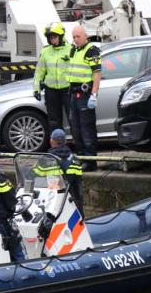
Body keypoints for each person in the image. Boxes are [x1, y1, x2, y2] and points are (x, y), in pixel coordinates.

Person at [67, 26, 101, 172]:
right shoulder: (74, 50)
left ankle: (90, 160)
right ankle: (81, 157)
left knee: (87, 129)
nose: (75, 39)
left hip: (85, 93)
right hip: (74, 94)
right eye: (73, 37)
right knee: (75, 129)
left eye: (78, 36)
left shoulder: (91, 50)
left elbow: (97, 74)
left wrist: (94, 95)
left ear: (85, 36)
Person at [33, 22, 71, 132]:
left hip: (67, 90)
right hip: (51, 91)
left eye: (54, 37)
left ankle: (78, 146)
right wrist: (36, 89)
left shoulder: (71, 50)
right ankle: (58, 146)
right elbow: (39, 72)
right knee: (54, 121)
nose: (52, 40)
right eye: (50, 38)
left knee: (72, 119)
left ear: (61, 36)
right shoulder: (45, 52)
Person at [46, 128, 84, 213]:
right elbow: (78, 186)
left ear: (51, 141)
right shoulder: (75, 160)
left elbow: (33, 177)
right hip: (70, 201)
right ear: (65, 142)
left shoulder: (45, 160)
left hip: (51, 203)